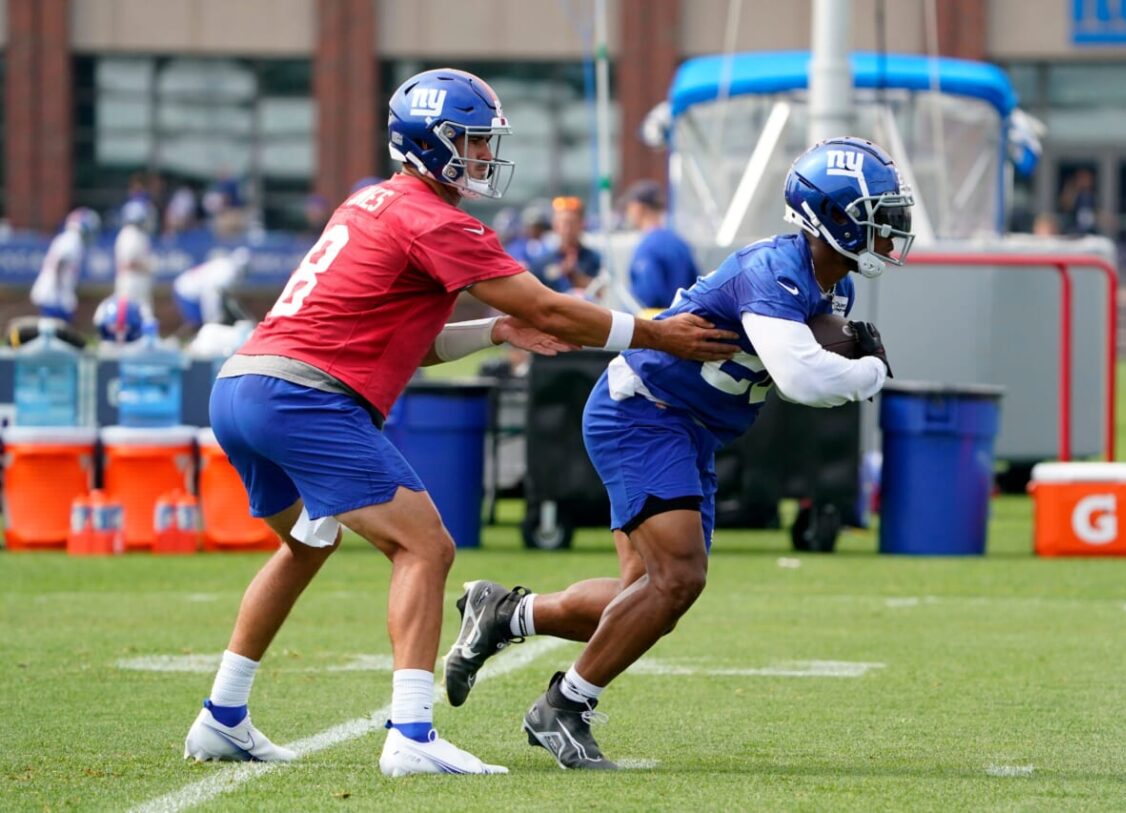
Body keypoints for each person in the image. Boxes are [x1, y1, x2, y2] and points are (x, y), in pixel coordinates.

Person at [181, 67, 737, 777]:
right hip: (302, 399)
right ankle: (411, 732)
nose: (482, 155)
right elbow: (551, 307)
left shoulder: (368, 204)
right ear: (427, 142)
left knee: (305, 546)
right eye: (470, 141)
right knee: (426, 547)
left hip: (243, 386)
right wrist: (659, 334)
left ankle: (222, 715)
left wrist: (495, 332)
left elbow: (404, 345)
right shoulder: (434, 218)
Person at [443, 136, 915, 770]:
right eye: (875, 212)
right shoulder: (774, 271)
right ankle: (564, 706)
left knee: (641, 596)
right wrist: (871, 372)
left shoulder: (832, 290)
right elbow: (804, 380)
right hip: (646, 410)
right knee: (678, 579)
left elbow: (801, 361)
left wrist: (842, 354)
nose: (889, 225)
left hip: (686, 427)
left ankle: (504, 613)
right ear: (831, 215)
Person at [620, 179, 700, 308]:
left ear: (638, 208)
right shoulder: (680, 243)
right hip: (683, 316)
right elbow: (697, 287)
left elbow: (648, 296)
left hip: (657, 318)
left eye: (628, 208)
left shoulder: (646, 248)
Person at [30, 207, 100, 322]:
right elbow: (60, 262)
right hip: (55, 297)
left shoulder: (67, 238)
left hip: (54, 294)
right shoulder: (73, 240)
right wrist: (59, 292)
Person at [530, 196, 600, 294]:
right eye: (563, 223)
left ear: (582, 224)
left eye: (572, 223)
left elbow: (601, 291)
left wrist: (574, 275)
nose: (568, 230)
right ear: (555, 225)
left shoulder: (594, 259)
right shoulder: (541, 262)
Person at [172, 247, 252, 329]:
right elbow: (209, 293)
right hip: (187, 290)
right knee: (197, 324)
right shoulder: (227, 274)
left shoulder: (226, 265)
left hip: (190, 287)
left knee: (201, 324)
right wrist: (213, 320)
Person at [114, 198, 156, 316]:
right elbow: (128, 263)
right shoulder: (130, 235)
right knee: (137, 316)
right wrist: (147, 266)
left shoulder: (138, 234)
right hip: (132, 282)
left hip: (137, 281)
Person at [1058, 167, 1098, 236]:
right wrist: (1073, 187)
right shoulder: (1072, 191)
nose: (1086, 180)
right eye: (1083, 177)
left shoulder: (1091, 195)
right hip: (1072, 230)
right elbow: (1065, 205)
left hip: (1090, 232)